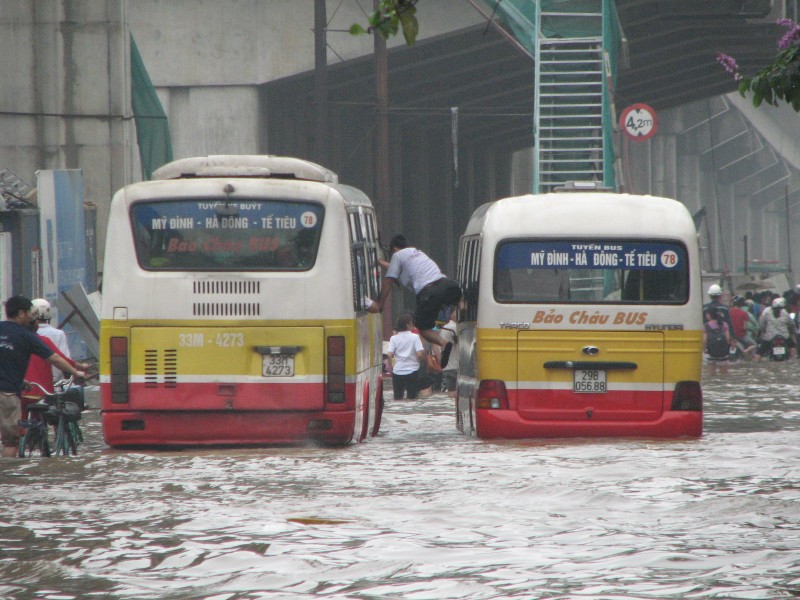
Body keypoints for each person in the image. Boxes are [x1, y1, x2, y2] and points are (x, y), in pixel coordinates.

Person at [0, 296, 87, 457]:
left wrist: (22, 380)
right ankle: (9, 476)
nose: (32, 318)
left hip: (16, 387)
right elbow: (56, 358)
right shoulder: (27, 335)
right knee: (10, 442)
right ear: (21, 314)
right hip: (8, 394)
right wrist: (76, 373)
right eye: (29, 313)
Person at [370, 234, 462, 369]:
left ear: (394, 249)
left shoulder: (397, 255)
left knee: (422, 327)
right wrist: (380, 262)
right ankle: (465, 314)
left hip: (429, 291)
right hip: (447, 285)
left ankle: (443, 343)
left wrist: (380, 303)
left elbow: (389, 280)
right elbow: (394, 270)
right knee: (459, 301)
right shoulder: (417, 254)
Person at [386, 313, 426, 400]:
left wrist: (393, 366)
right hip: (412, 371)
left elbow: (389, 355)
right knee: (412, 398)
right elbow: (419, 354)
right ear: (408, 325)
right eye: (412, 323)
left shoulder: (394, 338)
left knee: (397, 398)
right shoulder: (415, 337)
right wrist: (419, 361)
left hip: (397, 371)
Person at [32, 298, 71, 381]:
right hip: (55, 382)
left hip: (31, 382)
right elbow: (65, 359)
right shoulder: (58, 334)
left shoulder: (26, 333)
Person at [703, 284, 734, 350]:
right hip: (723, 341)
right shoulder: (724, 308)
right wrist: (732, 339)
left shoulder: (705, 308)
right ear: (720, 295)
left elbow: (702, 323)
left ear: (710, 295)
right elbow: (730, 324)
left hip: (709, 341)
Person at [703, 307, 731, 375]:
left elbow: (705, 340)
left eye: (706, 314)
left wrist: (703, 350)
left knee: (712, 375)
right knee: (724, 374)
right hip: (723, 352)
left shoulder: (706, 325)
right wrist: (727, 348)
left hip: (711, 352)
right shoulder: (724, 324)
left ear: (709, 315)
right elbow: (728, 338)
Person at [439, 308, 458, 397]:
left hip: (448, 366)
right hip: (455, 367)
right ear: (451, 314)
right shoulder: (454, 328)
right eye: (456, 311)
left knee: (451, 393)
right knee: (454, 394)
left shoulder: (445, 328)